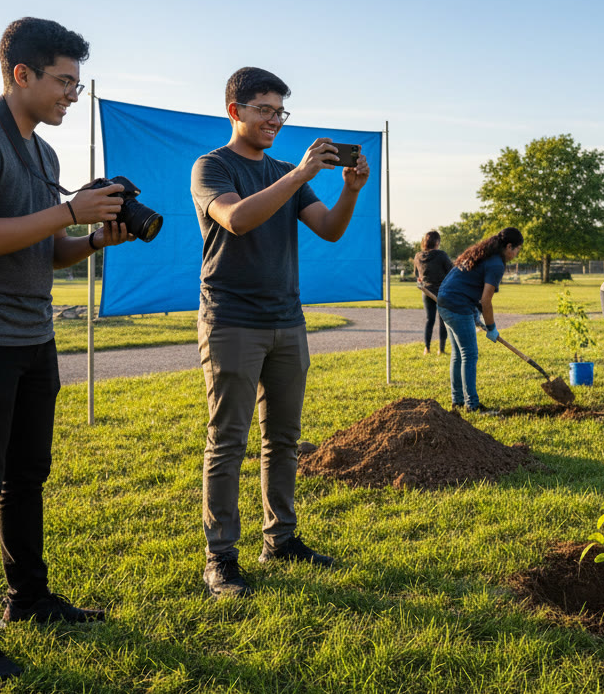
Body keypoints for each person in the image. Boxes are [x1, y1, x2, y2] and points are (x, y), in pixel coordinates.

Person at [0, 18, 126, 684]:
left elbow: (45, 250)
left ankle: (30, 602)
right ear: (22, 75)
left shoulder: (43, 155)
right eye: (64, 81)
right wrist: (71, 213)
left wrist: (96, 238)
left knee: (27, 476)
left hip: (31, 335)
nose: (73, 94)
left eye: (77, 82)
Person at [192, 66, 370, 600]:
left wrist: (351, 190)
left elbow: (332, 230)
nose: (274, 120)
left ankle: (282, 539)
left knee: (284, 440)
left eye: (280, 112)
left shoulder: (284, 172)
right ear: (235, 112)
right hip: (231, 320)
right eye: (264, 110)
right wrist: (296, 175)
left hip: (287, 320)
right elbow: (237, 219)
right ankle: (220, 558)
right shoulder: (212, 167)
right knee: (228, 441)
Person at [437, 228, 523, 414]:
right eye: (517, 250)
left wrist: (475, 311)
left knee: (458, 354)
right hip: (457, 306)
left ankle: (458, 401)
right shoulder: (496, 264)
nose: (516, 255)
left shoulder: (482, 254)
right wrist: (491, 327)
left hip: (444, 302)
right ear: (509, 246)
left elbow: (469, 284)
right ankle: (472, 405)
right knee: (469, 354)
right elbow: (486, 300)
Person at [413, 230, 453, 354]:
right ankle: (441, 349)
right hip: (442, 291)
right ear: (436, 242)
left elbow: (416, 274)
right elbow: (451, 271)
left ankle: (427, 348)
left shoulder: (418, 256)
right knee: (443, 321)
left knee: (429, 320)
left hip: (426, 291)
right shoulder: (441, 255)